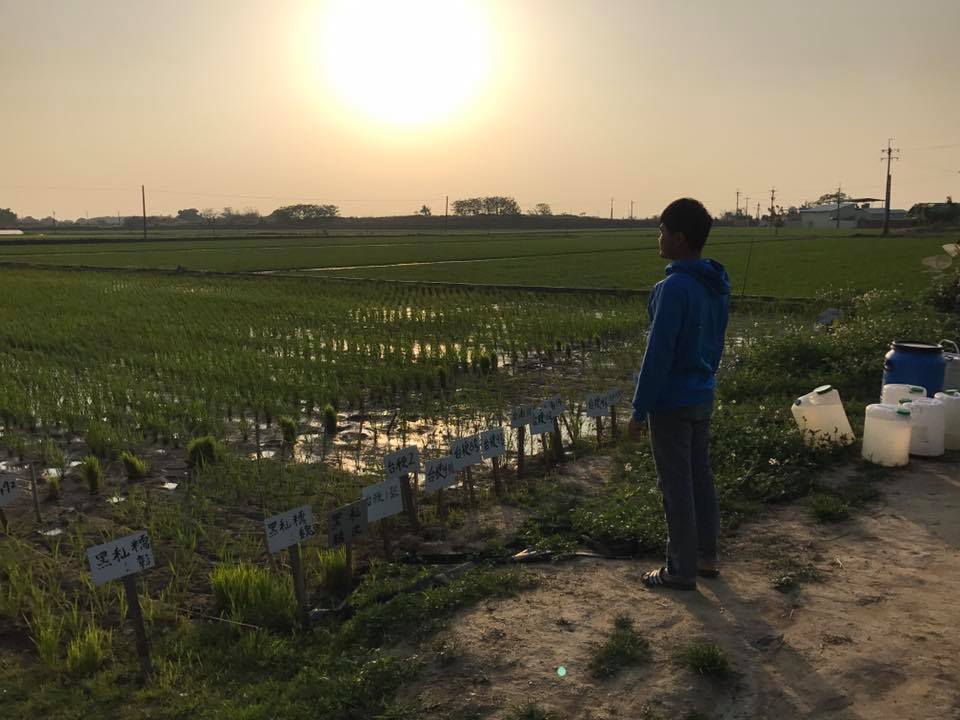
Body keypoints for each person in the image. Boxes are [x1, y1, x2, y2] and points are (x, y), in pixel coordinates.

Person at [628, 198, 730, 591]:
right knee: (700, 477)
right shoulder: (714, 284)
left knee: (676, 486)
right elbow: (716, 343)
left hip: (671, 402)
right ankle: (705, 556)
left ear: (680, 239)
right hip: (702, 393)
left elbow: (658, 355)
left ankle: (680, 569)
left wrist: (640, 408)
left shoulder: (673, 288)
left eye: (662, 231)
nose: (659, 238)